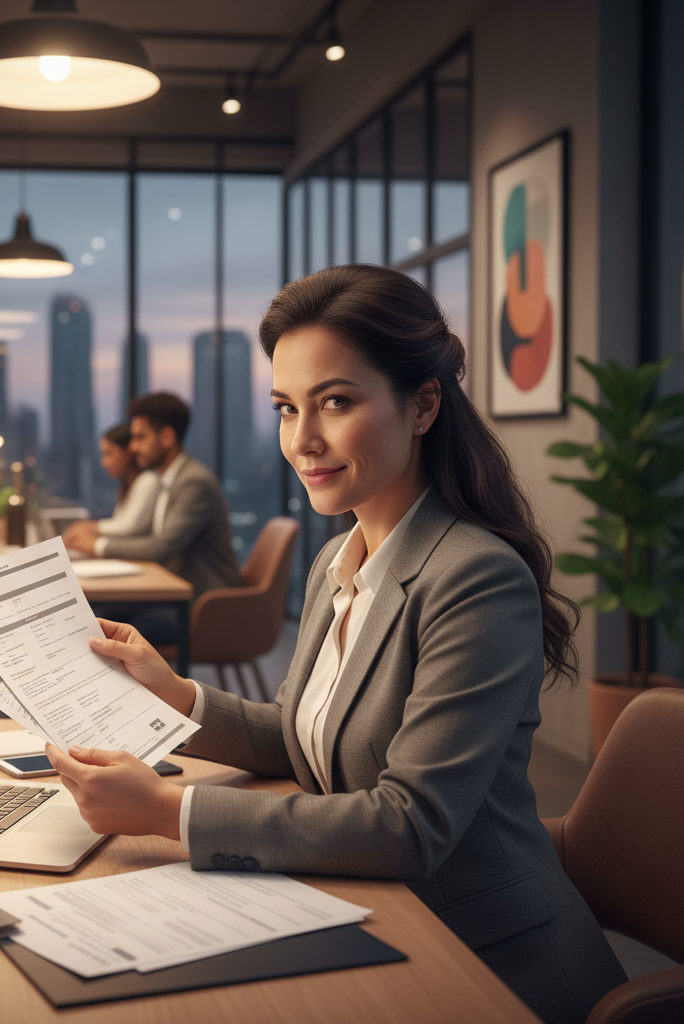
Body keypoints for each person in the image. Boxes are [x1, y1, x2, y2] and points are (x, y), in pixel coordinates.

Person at [45, 266, 626, 1024]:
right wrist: (171, 689)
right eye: (287, 408)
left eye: (336, 402)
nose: (302, 440)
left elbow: (409, 825)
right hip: (365, 909)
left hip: (487, 958)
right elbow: (300, 737)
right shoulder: (338, 561)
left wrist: (166, 810)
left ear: (422, 407)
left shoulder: (476, 578)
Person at [63, 393, 242, 599]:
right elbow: (143, 535)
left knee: (106, 615)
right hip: (174, 587)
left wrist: (95, 544)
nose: (132, 447)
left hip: (205, 600)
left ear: (167, 437)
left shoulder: (194, 482)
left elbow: (160, 548)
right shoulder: (168, 478)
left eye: (140, 438)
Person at [93, 423, 159, 538]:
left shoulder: (148, 480)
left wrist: (91, 527)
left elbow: (129, 527)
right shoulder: (126, 485)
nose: (103, 462)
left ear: (128, 452)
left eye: (108, 454)